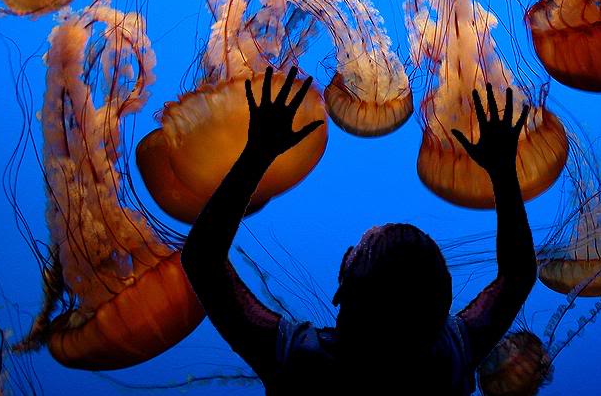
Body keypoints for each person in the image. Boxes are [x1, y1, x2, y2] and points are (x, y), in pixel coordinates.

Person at [181, 67, 537, 395]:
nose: (350, 249)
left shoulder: (302, 363)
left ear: (343, 290)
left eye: (357, 251)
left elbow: (202, 260)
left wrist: (257, 154)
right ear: (440, 310)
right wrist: (503, 170)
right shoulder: (448, 357)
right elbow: (518, 275)